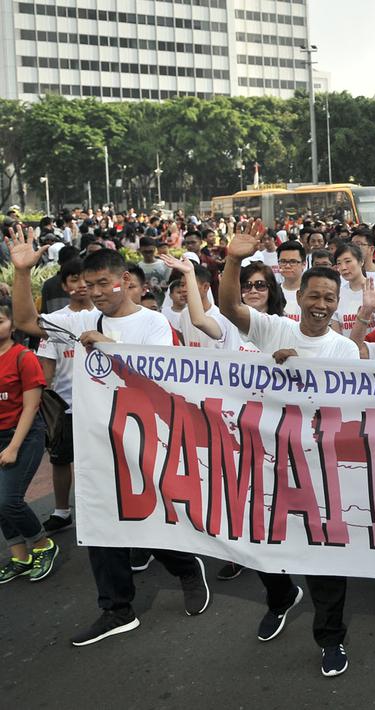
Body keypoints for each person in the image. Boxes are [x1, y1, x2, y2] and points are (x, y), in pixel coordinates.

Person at [8, 233, 212, 646]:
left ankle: (186, 567)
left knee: (148, 517)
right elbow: (26, 322)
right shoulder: (78, 321)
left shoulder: (152, 323)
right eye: (90, 284)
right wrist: (23, 271)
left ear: (125, 280)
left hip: (142, 438)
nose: (96, 291)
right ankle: (117, 609)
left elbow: (159, 379)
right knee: (101, 521)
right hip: (95, 439)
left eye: (104, 283)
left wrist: (110, 346)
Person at [220, 222, 360, 678]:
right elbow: (229, 307)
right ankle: (281, 598)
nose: (321, 304)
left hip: (320, 469)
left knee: (324, 558)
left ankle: (331, 638)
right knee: (261, 543)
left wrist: (303, 372)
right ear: (299, 296)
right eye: (314, 295)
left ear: (337, 303)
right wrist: (233, 260)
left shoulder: (344, 350)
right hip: (267, 461)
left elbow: (344, 408)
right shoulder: (273, 329)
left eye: (329, 298)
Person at [0, 303, 56, 585]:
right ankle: (20, 557)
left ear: (12, 324)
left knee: (9, 500)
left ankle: (43, 545)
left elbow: (31, 407)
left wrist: (13, 447)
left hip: (23, 435)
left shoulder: (23, 357)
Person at [36, 258, 93, 534]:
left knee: (97, 463)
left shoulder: (105, 317)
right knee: (60, 460)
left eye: (85, 279)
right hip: (66, 407)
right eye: (74, 279)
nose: (81, 285)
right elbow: (46, 369)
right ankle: (62, 511)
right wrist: (45, 404)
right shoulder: (53, 321)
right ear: (64, 285)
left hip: (98, 407)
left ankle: (97, 511)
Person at [332, 243, 375, 337]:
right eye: (339, 263)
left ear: (361, 262)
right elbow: (336, 335)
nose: (343, 267)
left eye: (348, 261)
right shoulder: (337, 294)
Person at [277, 240, 307, 322]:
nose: (287, 266)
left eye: (293, 262)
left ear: (304, 264)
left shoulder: (311, 292)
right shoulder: (273, 292)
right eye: (283, 261)